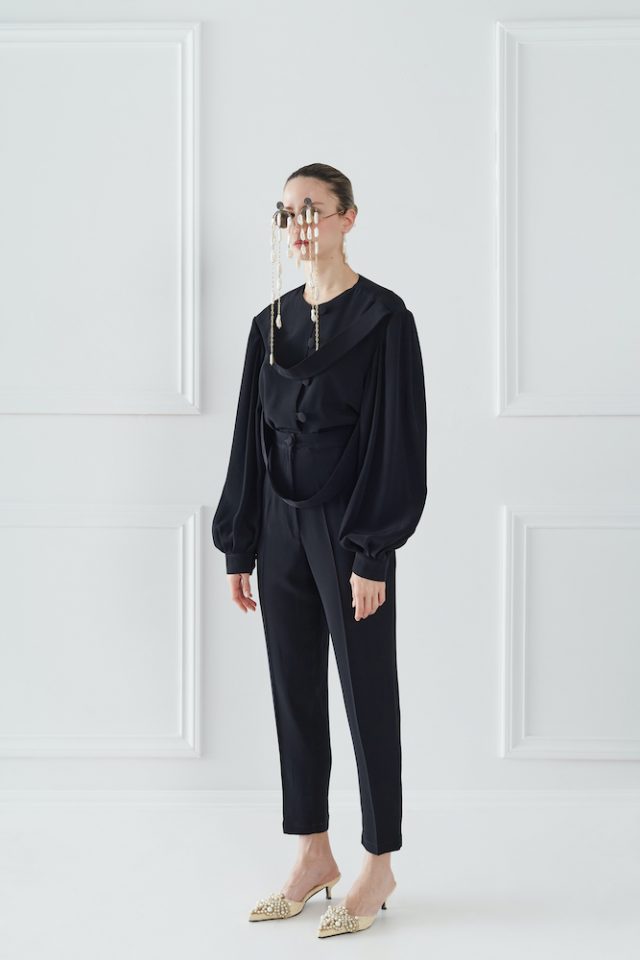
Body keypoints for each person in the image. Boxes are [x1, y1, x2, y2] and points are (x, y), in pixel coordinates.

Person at [212, 163, 427, 937]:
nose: (298, 223)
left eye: (313, 208)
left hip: (347, 523)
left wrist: (373, 551)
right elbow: (249, 437)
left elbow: (398, 440)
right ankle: (312, 852)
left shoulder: (384, 320)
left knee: (367, 691)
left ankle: (378, 861)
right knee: (294, 691)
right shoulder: (266, 324)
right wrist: (240, 542)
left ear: (347, 218)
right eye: (287, 212)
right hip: (278, 527)